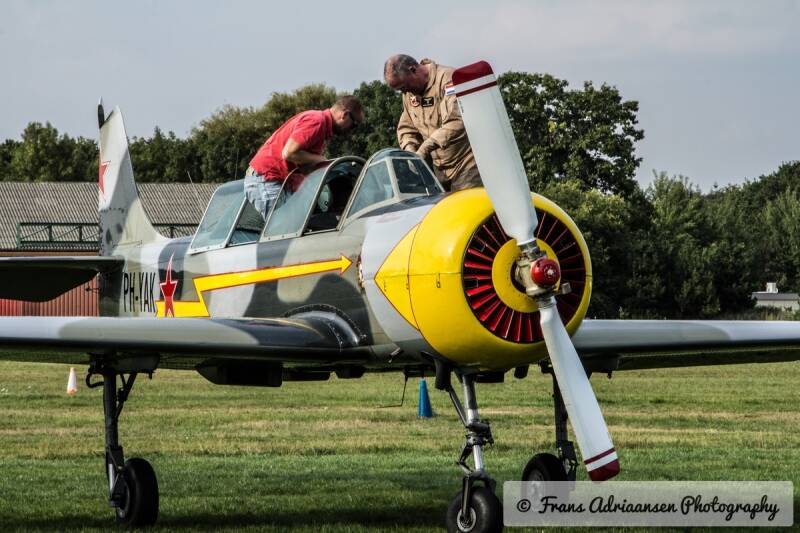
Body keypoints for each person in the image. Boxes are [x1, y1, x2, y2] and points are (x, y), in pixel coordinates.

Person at [244, 96, 364, 219]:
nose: (351, 131)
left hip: (277, 180)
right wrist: (320, 160)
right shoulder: (317, 121)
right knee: (284, 228)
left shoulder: (321, 128)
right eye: (354, 125)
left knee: (299, 226)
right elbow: (289, 153)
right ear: (344, 115)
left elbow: (303, 165)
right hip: (267, 178)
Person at [383, 54, 482, 192]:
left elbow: (457, 122)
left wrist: (424, 148)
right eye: (401, 90)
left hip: (466, 164)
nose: (405, 92)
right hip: (438, 171)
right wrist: (411, 153)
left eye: (405, 86)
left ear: (413, 69)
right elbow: (406, 128)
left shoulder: (448, 79)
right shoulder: (408, 94)